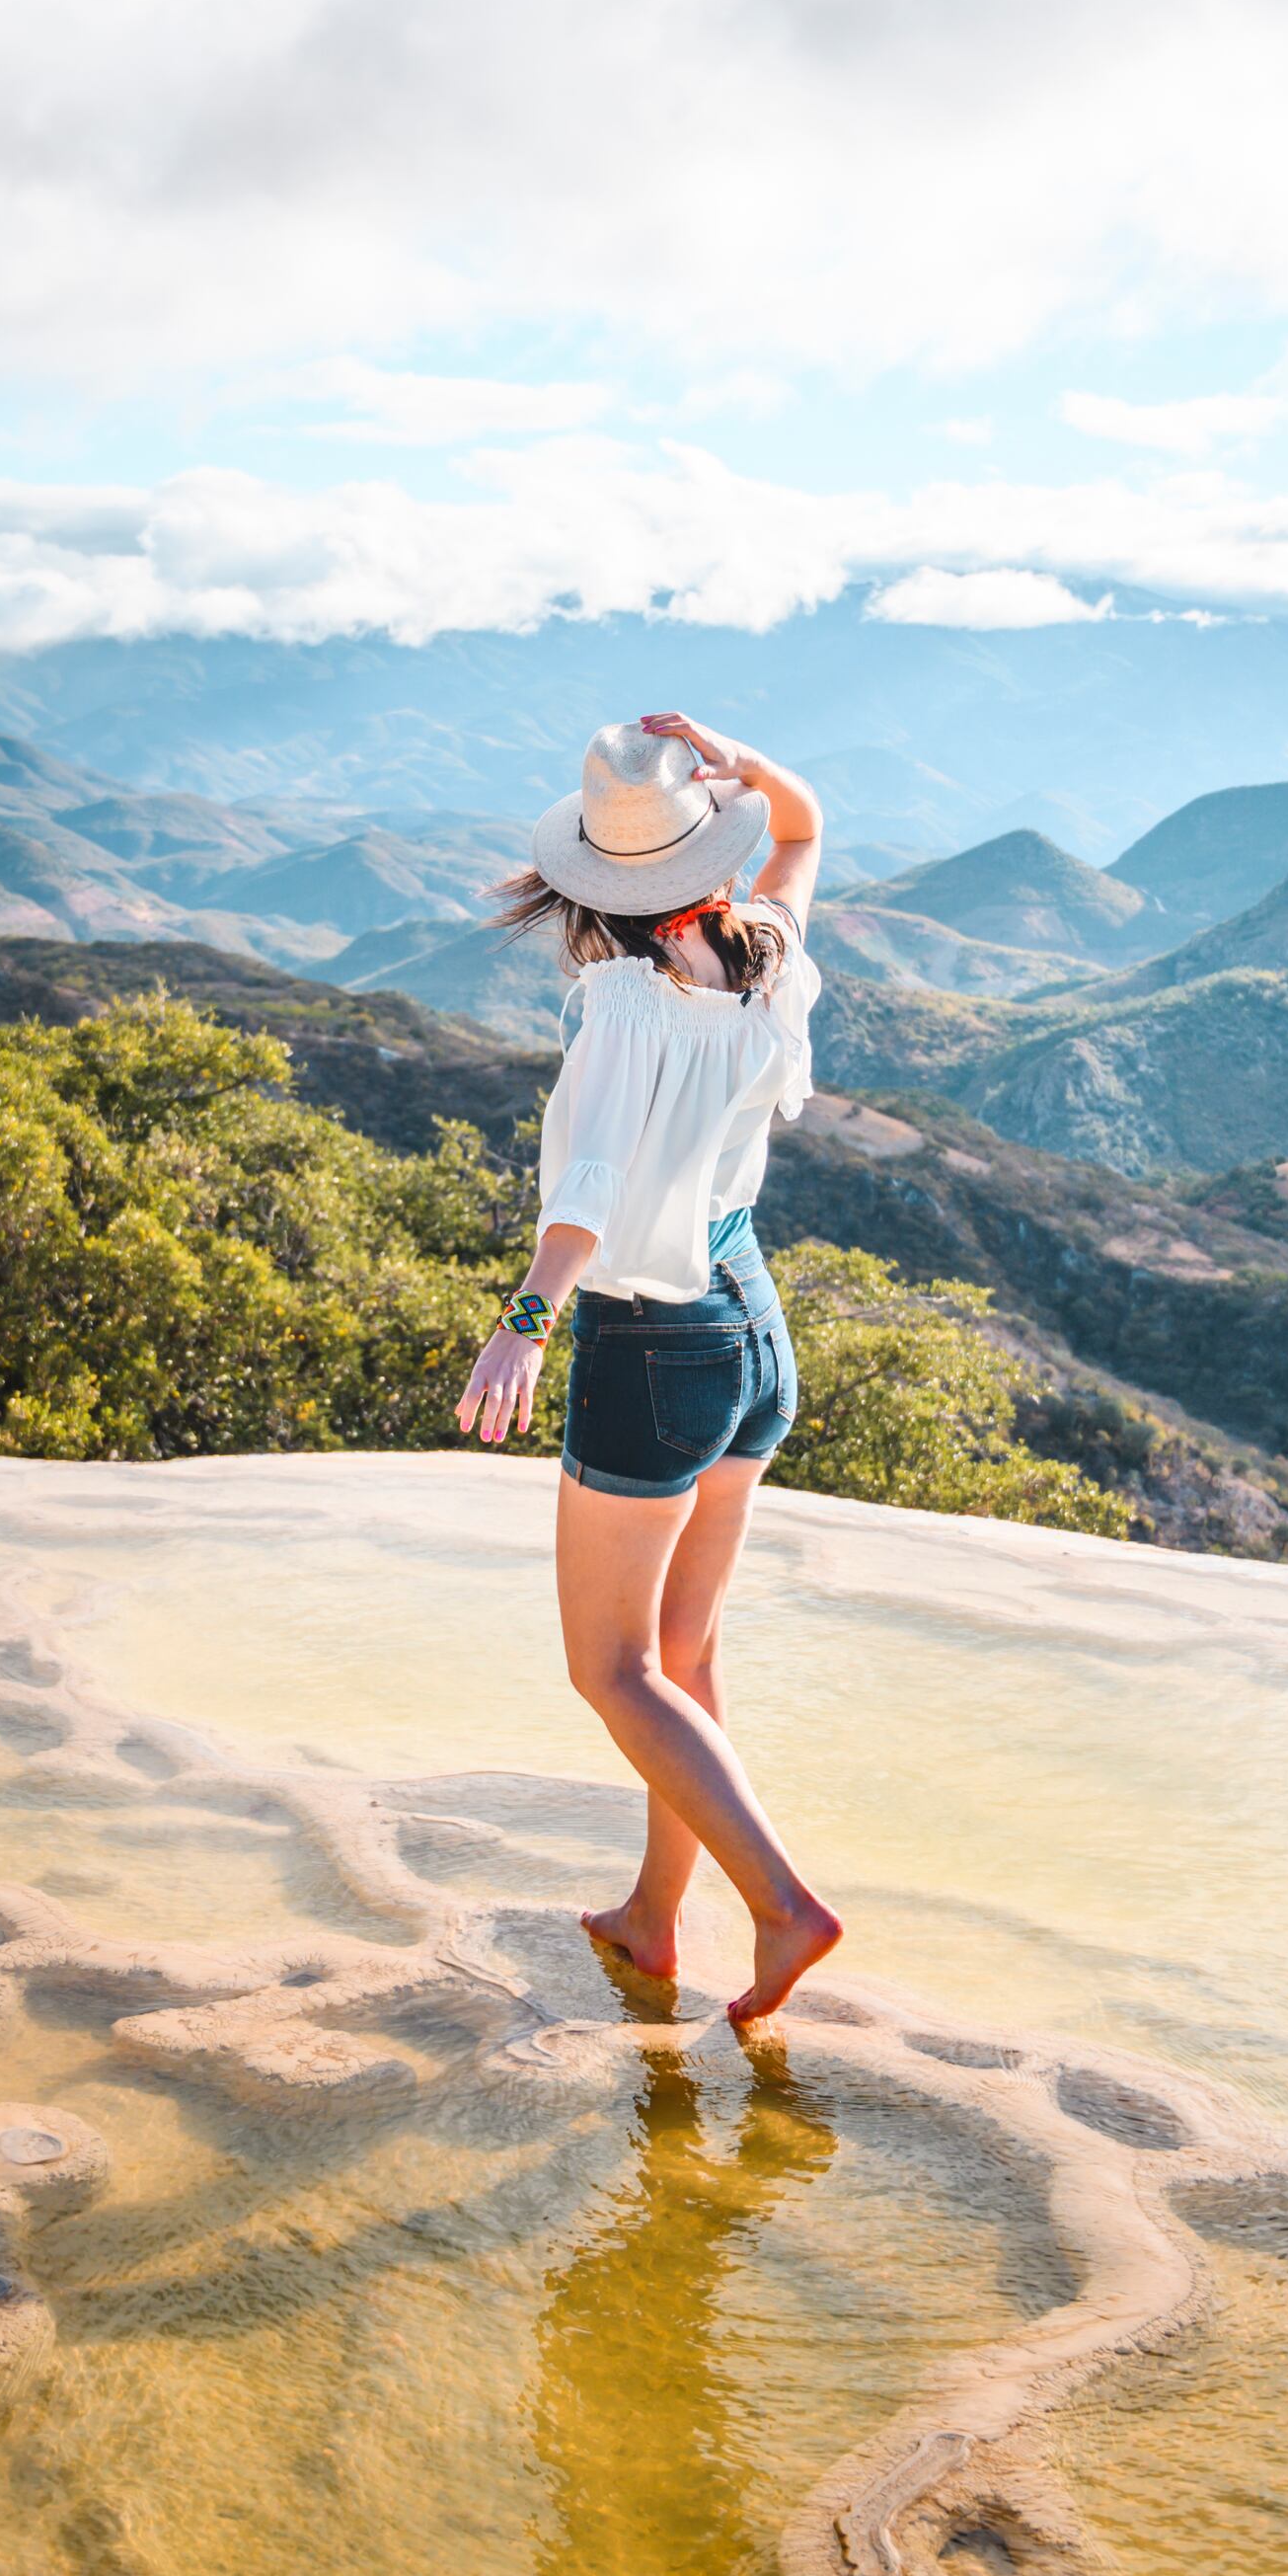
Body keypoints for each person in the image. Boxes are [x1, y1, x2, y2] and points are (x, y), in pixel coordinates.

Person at [455, 711, 842, 2024]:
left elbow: (591, 1190)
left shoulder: (621, 1004)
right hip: (748, 1317)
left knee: (612, 1668)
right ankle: (655, 1915)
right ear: (711, 865)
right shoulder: (766, 953)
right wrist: (740, 753)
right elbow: (804, 825)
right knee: (682, 1647)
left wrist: (526, 1316)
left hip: (652, 1338)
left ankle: (784, 1906)